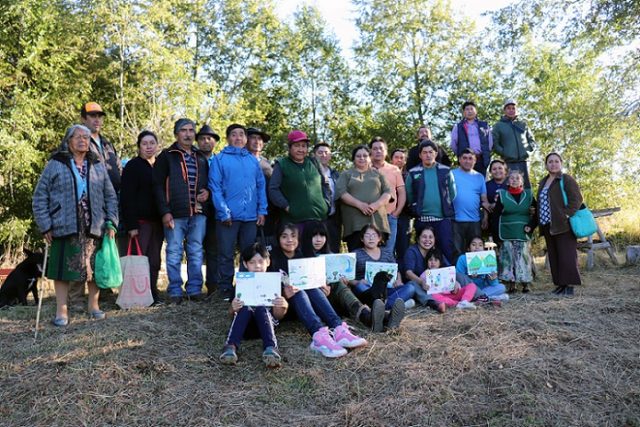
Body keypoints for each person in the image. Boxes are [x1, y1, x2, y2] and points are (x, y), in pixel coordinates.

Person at [32, 124, 118, 326]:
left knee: (94, 268)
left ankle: (93, 306)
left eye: (86, 138)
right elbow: (39, 196)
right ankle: (62, 311)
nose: (83, 140)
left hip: (94, 223)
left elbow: (110, 196)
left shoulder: (97, 164)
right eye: (77, 137)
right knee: (62, 270)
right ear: (68, 140)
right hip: (64, 223)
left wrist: (111, 222)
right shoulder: (56, 163)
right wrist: (45, 224)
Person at [268, 223, 367, 358]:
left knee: (312, 288)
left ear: (299, 239)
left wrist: (323, 288)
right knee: (299, 291)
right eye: (284, 236)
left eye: (293, 236)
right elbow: (268, 289)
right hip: (285, 306)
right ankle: (318, 336)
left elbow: (313, 282)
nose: (289, 240)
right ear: (278, 239)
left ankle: (338, 329)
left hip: (306, 305)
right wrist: (283, 293)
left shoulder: (303, 257)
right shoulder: (271, 259)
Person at [300, 221, 403, 332]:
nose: (319, 239)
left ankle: (378, 317)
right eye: (314, 235)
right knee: (351, 287)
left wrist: (345, 282)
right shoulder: (300, 258)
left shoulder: (331, 257)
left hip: (334, 299)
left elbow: (338, 282)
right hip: (315, 300)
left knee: (339, 283)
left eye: (322, 235)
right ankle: (377, 317)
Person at [153, 118, 210, 303]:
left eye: (191, 130)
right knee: (174, 252)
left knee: (195, 251)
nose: (188, 134)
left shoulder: (200, 157)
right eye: (184, 130)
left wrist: (207, 193)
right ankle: (175, 291)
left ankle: (194, 290)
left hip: (198, 213)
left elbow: (208, 183)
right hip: (174, 214)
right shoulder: (167, 156)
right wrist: (164, 212)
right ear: (176, 134)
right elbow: (157, 186)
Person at [209, 124, 267, 302]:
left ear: (245, 139)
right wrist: (224, 212)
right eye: (234, 135)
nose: (238, 138)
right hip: (228, 218)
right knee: (226, 254)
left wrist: (262, 210)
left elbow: (260, 186)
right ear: (228, 138)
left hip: (250, 217)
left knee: (247, 254)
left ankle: (244, 289)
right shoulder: (219, 159)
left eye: (241, 135)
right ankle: (225, 289)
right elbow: (215, 187)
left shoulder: (252, 160)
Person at [219, 243, 288, 368]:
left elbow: (279, 316)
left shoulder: (274, 283)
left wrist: (283, 306)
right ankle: (230, 347)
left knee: (261, 308)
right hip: (245, 327)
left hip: (267, 326)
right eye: (252, 262)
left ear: (268, 262)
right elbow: (231, 313)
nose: (257, 266)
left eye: (261, 261)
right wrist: (233, 308)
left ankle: (271, 348)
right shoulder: (241, 285)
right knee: (245, 308)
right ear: (245, 264)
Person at [120, 130, 163, 304]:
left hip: (158, 222)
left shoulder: (160, 166)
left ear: (157, 145)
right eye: (144, 143)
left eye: (152, 143)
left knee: (154, 260)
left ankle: (152, 293)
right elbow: (127, 197)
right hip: (140, 222)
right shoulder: (133, 166)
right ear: (139, 146)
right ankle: (136, 295)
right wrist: (131, 225)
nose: (149, 147)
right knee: (139, 259)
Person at [537, 153, 583, 296]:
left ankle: (569, 286)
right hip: (548, 225)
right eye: (550, 162)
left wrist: (566, 215)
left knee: (567, 255)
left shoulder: (566, 179)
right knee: (555, 256)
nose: (553, 164)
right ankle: (560, 285)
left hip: (563, 224)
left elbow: (576, 199)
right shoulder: (543, 182)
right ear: (546, 165)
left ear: (561, 163)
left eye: (556, 161)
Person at [405, 140, 456, 262]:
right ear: (420, 155)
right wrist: (416, 207)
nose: (428, 155)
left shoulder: (446, 170)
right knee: (423, 251)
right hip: (422, 219)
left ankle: (449, 276)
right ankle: (423, 278)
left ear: (436, 153)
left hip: (442, 219)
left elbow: (453, 192)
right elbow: (409, 194)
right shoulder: (413, 172)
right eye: (425, 152)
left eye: (430, 152)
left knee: (446, 249)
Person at [269, 130, 329, 233]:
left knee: (319, 247)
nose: (301, 149)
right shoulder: (282, 164)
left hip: (319, 218)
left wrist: (326, 204)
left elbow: (325, 183)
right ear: (289, 147)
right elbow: (273, 189)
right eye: (297, 146)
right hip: (294, 222)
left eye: (304, 146)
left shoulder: (314, 162)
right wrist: (286, 207)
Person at [336, 145, 391, 251]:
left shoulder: (378, 174)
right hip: (355, 224)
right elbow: (341, 193)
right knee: (358, 256)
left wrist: (376, 205)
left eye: (365, 156)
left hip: (377, 222)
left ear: (370, 158)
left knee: (378, 258)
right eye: (358, 156)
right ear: (353, 159)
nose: (362, 158)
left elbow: (388, 192)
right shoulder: (346, 174)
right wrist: (360, 205)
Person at [347, 225, 416, 310]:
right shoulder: (355, 254)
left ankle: (383, 306)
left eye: (374, 235)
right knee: (360, 286)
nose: (371, 238)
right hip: (367, 290)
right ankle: (397, 305)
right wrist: (357, 282)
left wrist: (398, 280)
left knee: (411, 287)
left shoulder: (387, 253)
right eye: (367, 235)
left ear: (379, 238)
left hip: (387, 289)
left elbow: (396, 270)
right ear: (362, 239)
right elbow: (347, 277)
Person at [495, 170, 537, 293]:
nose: (514, 180)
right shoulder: (503, 195)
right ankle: (511, 283)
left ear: (522, 181)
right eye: (512, 178)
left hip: (523, 230)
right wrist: (496, 234)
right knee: (507, 258)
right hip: (506, 231)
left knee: (523, 257)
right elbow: (496, 216)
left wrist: (531, 225)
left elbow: (537, 213)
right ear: (508, 181)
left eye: (517, 178)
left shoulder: (529, 195)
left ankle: (525, 283)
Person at [451, 148, 491, 258]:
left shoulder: (479, 177)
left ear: (475, 161)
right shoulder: (451, 174)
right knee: (457, 252)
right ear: (459, 159)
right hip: (455, 220)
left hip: (475, 221)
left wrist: (486, 217)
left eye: (470, 158)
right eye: (464, 158)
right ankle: (459, 274)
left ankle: (476, 275)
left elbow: (484, 200)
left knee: (476, 252)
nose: (467, 161)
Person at [196, 124, 221, 296]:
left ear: (215, 142)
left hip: (216, 211)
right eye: (203, 138)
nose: (206, 141)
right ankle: (194, 287)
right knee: (194, 249)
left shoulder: (220, 160)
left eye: (209, 138)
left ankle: (213, 286)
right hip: (196, 210)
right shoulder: (192, 158)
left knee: (214, 249)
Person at [370, 137, 406, 252]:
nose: (378, 151)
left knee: (388, 251)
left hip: (390, 216)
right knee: (370, 250)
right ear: (370, 152)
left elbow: (401, 193)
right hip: (370, 217)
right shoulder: (364, 169)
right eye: (375, 149)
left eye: (381, 148)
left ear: (386, 152)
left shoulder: (394, 170)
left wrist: (397, 213)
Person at [492, 99, 536, 188]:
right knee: (510, 186)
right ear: (504, 110)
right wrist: (504, 152)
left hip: (524, 161)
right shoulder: (499, 126)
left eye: (513, 108)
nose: (511, 110)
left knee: (526, 186)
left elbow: (532, 140)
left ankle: (529, 201)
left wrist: (528, 151)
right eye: (508, 108)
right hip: (509, 162)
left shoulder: (523, 124)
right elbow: (494, 143)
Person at [80, 102, 122, 193]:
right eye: (93, 116)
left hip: (114, 198)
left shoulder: (107, 144)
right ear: (83, 119)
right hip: (93, 199)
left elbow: (119, 168)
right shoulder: (79, 144)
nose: (97, 120)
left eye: (99, 116)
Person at [450, 100, 493, 177]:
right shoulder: (458, 127)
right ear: (463, 113)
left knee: (481, 183)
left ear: (475, 111)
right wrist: (461, 155)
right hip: (466, 161)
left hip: (481, 160)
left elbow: (489, 142)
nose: (469, 111)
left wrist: (485, 154)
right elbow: (453, 144)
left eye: (471, 109)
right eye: (467, 109)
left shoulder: (484, 125)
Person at [313, 142, 342, 253]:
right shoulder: (310, 172)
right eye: (320, 152)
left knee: (333, 248)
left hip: (334, 218)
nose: (323, 155)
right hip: (317, 217)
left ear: (330, 156)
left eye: (326, 153)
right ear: (314, 155)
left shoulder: (335, 174)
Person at [390, 148, 412, 265]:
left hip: (405, 216)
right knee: (389, 248)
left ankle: (403, 275)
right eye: (396, 157)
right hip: (388, 215)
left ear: (405, 161)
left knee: (403, 247)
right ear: (391, 160)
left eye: (402, 158)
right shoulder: (385, 174)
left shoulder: (409, 176)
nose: (399, 160)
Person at [483, 159, 508, 244]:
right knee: (497, 246)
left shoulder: (511, 182)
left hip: (509, 220)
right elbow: (484, 203)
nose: (497, 171)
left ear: (505, 170)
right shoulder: (487, 185)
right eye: (494, 169)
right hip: (494, 221)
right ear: (490, 172)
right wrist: (485, 218)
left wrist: (498, 205)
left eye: (500, 168)